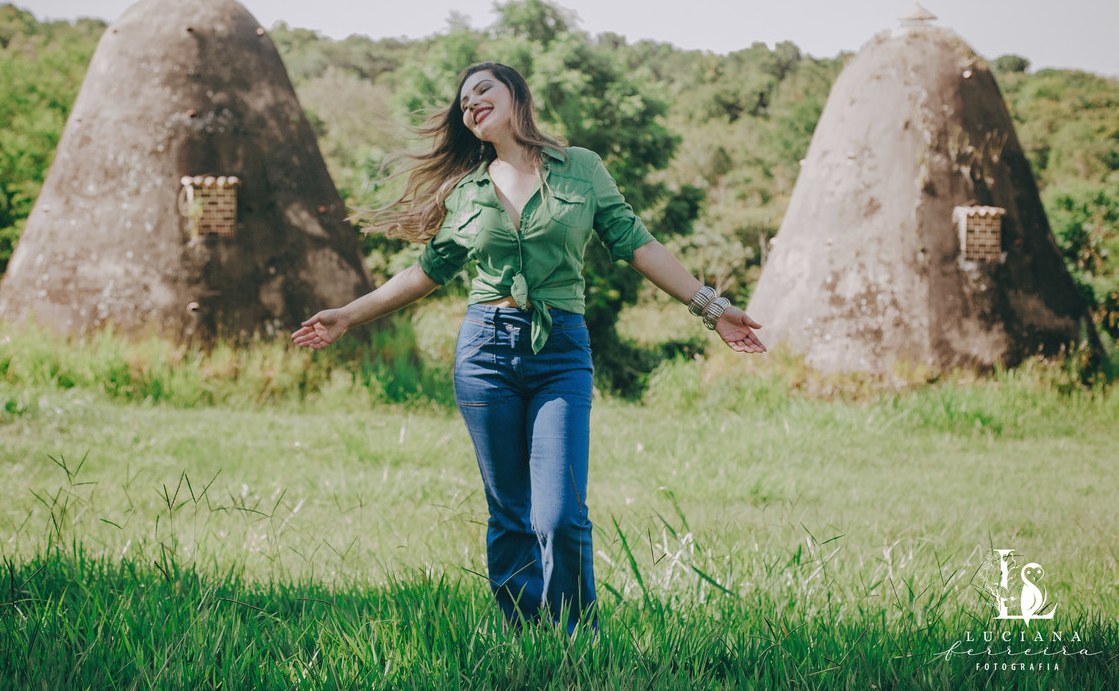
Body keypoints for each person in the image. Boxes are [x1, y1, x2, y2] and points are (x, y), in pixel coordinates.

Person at [292, 62, 765, 635]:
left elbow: (638, 245)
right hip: (485, 352)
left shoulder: (581, 168)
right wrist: (348, 314)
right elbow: (424, 274)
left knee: (560, 515)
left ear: (516, 94)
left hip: (560, 351)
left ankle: (574, 640)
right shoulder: (464, 191)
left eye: (482, 89)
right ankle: (524, 638)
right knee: (510, 513)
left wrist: (713, 310)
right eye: (463, 100)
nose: (470, 103)